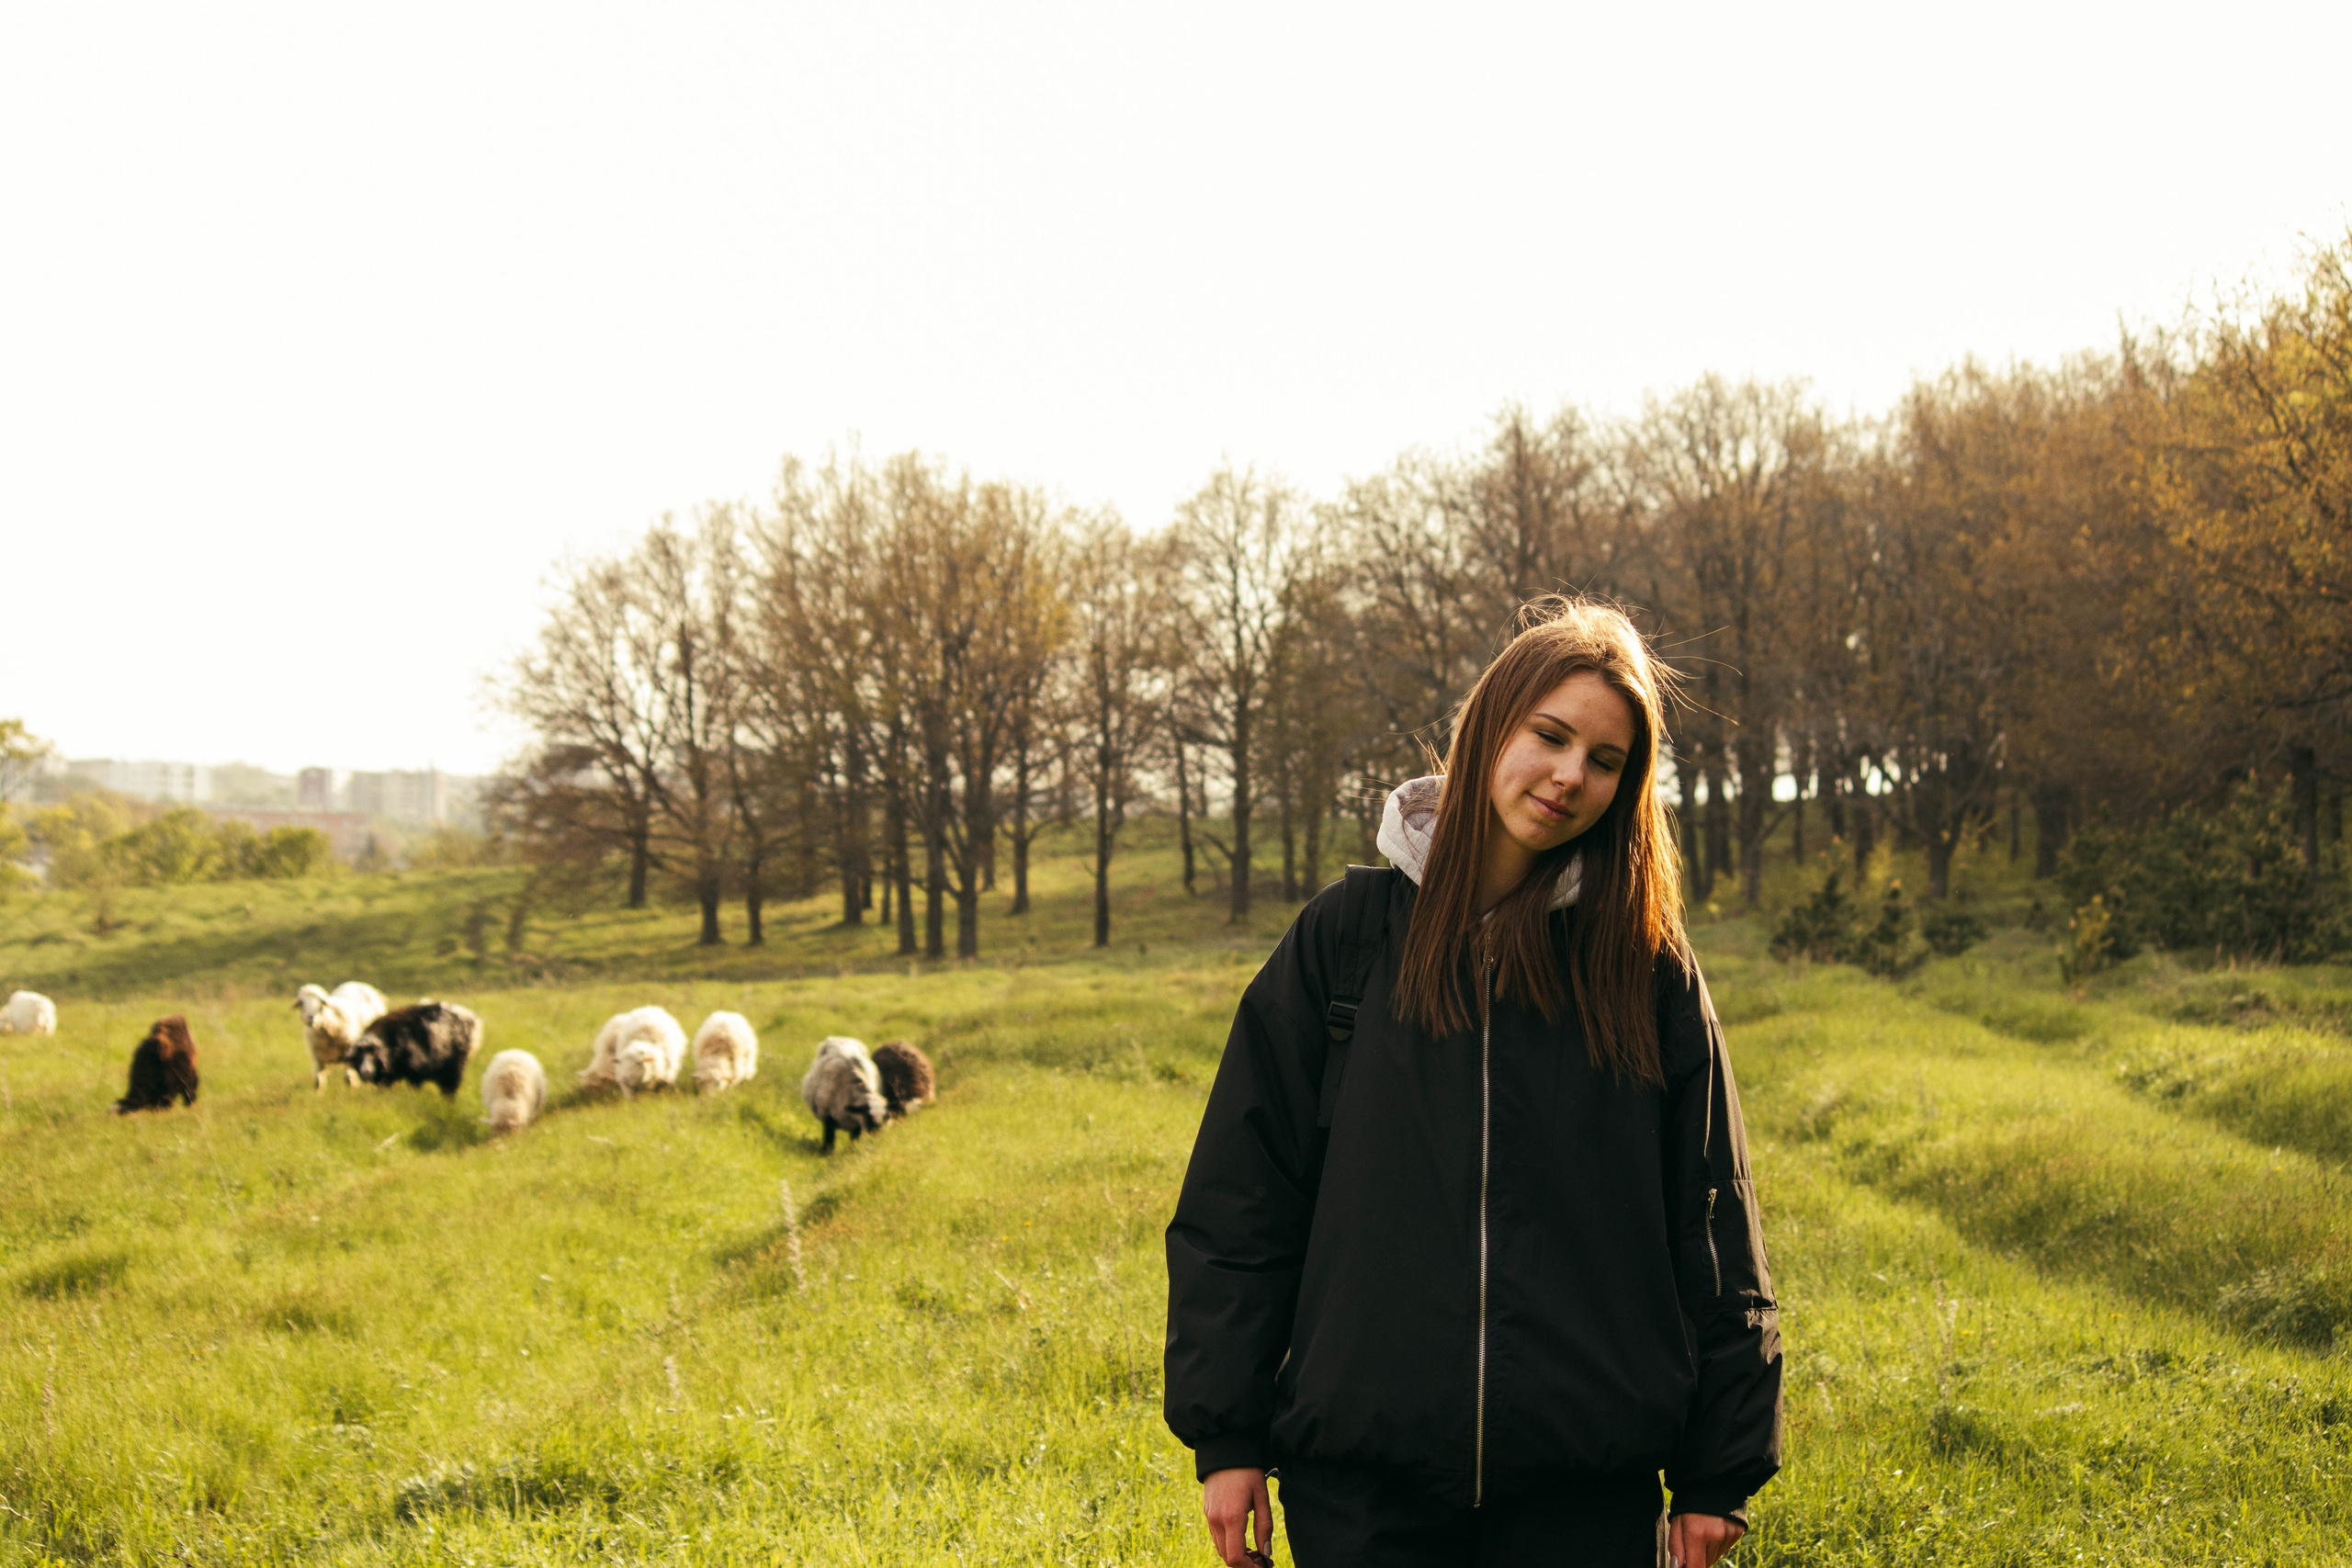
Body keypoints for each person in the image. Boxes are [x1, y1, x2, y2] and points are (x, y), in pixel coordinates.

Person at [1163, 598, 1781, 1568]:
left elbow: (1712, 1220)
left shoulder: (1642, 964)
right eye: (1551, 735)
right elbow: (1241, 1202)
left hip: (1585, 1490)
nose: (1570, 775)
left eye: (1606, 760)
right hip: (1363, 1487)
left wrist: (1717, 1471)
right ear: (1493, 724)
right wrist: (1227, 1435)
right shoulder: (1347, 940)